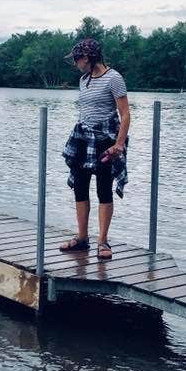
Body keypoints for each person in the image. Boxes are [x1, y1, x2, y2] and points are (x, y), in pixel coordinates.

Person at [60, 38, 130, 261]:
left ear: (88, 58)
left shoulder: (114, 78)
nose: (75, 63)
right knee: (80, 188)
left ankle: (103, 241)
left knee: (103, 190)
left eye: (77, 59)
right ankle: (82, 239)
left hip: (104, 141)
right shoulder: (84, 79)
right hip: (83, 140)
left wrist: (118, 145)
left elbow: (125, 114)